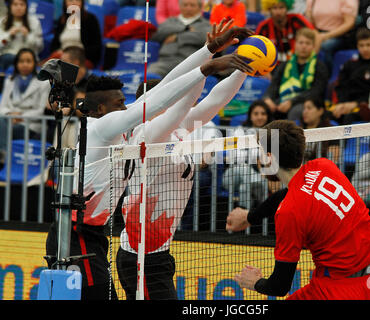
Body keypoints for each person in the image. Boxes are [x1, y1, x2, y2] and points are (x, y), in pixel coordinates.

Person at [45, 21, 253, 300]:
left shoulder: (122, 129)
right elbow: (155, 103)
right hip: (74, 233)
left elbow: (166, 88)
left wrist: (209, 50)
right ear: (102, 109)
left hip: (97, 235)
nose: (126, 106)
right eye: (120, 103)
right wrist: (207, 68)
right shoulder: (101, 128)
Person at [115, 22, 254, 300]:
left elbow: (213, 101)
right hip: (141, 258)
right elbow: (183, 101)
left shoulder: (176, 129)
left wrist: (244, 68)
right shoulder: (147, 135)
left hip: (158, 251)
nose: (175, 102)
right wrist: (209, 61)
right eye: (168, 98)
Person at [227, 119, 370, 300]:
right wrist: (250, 216)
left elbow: (279, 286)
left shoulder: (289, 212)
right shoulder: (324, 166)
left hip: (340, 290)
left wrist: (253, 282)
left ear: (269, 158)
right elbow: (288, 194)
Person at [263, 28, 328, 121]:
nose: (304, 46)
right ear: (295, 44)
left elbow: (316, 92)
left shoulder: (319, 66)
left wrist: (292, 102)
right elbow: (274, 85)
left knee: (295, 111)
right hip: (283, 100)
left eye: (307, 43)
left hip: (307, 103)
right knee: (264, 109)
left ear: (313, 46)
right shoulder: (285, 65)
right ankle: (271, 136)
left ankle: (293, 136)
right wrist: (267, 99)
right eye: (301, 43)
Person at [0, 48, 50, 163]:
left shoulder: (44, 83)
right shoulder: (9, 80)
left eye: (28, 61)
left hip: (31, 124)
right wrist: (11, 114)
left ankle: (3, 158)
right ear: (16, 64)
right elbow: (2, 107)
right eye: (21, 61)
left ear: (34, 63)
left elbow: (41, 110)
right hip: (9, 119)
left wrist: (21, 116)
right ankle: (4, 155)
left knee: (5, 128)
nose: (25, 64)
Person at [222, 100, 273, 212]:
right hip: (232, 176)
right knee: (244, 167)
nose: (260, 117)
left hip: (254, 178)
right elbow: (235, 157)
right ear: (250, 116)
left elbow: (271, 159)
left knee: (244, 186)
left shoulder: (271, 134)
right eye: (256, 114)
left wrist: (252, 154)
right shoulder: (239, 131)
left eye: (263, 114)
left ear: (268, 116)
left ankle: (244, 222)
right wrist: (259, 155)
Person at [330, 28, 370, 124]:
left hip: (365, 108)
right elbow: (340, 87)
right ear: (357, 46)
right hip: (345, 105)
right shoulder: (348, 64)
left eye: (368, 45)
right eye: (361, 45)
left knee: (348, 119)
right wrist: (341, 104)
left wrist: (355, 104)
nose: (365, 49)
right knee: (325, 116)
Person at [149, 0, 211, 77]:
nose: (188, 8)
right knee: (150, 74)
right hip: (165, 61)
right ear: (180, 7)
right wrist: (185, 28)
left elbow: (203, 37)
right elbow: (158, 34)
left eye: (192, 5)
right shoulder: (170, 21)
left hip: (190, 62)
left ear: (199, 8)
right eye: (185, 5)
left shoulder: (205, 24)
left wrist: (177, 37)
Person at [305, 0, 359, 74]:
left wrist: (325, 36)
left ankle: (325, 77)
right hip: (316, 32)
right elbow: (309, 18)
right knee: (302, 43)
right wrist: (316, 33)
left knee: (324, 46)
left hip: (339, 35)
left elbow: (349, 23)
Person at [49, 0, 102, 69]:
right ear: (65, 3)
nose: (74, 3)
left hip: (82, 59)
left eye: (77, 0)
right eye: (70, 0)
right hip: (61, 57)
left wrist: (76, 54)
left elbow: (96, 47)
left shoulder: (90, 19)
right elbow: (54, 45)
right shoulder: (62, 20)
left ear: (82, 3)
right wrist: (59, 52)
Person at [0, 0, 43, 72]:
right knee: (10, 60)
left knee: (24, 62)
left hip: (28, 56)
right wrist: (8, 36)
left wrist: (28, 36)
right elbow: (1, 44)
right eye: (15, 4)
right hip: (8, 56)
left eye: (21, 4)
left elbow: (40, 47)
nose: (18, 7)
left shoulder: (34, 22)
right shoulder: (2, 22)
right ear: (10, 7)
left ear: (26, 7)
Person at [300, 97, 340, 163]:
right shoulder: (298, 131)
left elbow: (334, 158)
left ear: (320, 111)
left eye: (309, 108)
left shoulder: (331, 131)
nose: (305, 112)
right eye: (304, 108)